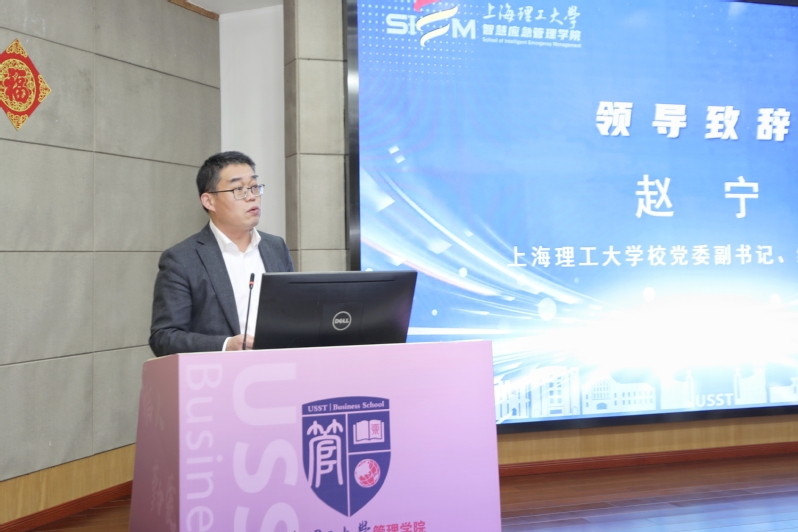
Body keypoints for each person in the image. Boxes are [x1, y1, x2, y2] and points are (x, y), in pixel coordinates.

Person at [149, 151, 294, 357]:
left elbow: (292, 316)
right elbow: (164, 337)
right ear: (209, 201)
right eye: (239, 189)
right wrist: (226, 345)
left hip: (280, 367)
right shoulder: (182, 259)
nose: (252, 196)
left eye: (254, 187)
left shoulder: (276, 247)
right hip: (221, 373)